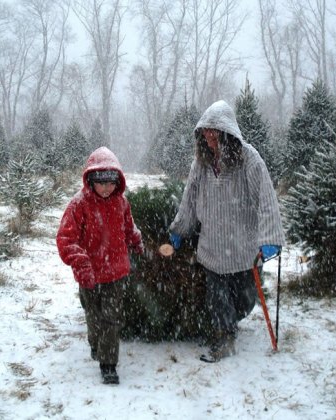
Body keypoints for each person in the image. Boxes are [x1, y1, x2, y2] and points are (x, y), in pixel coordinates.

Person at [169, 100, 285, 363]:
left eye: (214, 131)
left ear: (227, 132)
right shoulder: (201, 163)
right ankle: (223, 338)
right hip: (212, 247)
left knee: (244, 301)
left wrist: (271, 239)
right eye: (205, 131)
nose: (208, 136)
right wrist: (180, 229)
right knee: (217, 299)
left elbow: (266, 199)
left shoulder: (249, 160)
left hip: (242, 247)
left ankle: (231, 323)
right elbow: (190, 197)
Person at [56, 146, 144, 384]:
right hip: (90, 276)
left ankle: (108, 364)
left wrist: (135, 241)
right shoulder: (79, 205)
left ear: (118, 181)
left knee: (112, 319)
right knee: (93, 316)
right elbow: (66, 239)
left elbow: (128, 227)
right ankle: (95, 343)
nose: (106, 188)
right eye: (101, 183)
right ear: (90, 180)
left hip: (115, 273)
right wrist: (80, 262)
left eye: (111, 183)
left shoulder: (121, 203)